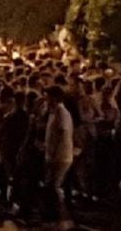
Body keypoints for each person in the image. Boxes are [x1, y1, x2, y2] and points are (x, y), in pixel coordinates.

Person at [43, 86, 74, 228]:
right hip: (54, 155)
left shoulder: (61, 112)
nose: (45, 99)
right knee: (51, 186)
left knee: (55, 187)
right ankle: (55, 217)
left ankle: (64, 218)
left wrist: (54, 152)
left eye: (47, 96)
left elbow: (62, 133)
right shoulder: (54, 112)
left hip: (60, 156)